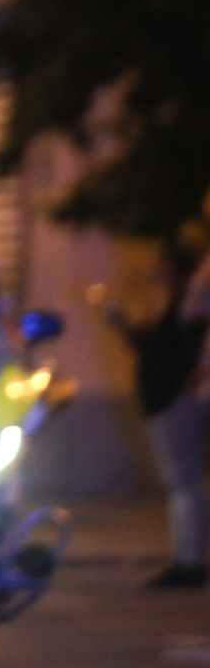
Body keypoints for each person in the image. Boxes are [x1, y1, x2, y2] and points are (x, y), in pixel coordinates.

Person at [108, 239, 210, 589]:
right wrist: (122, 324)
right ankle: (187, 558)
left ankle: (191, 562)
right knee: (180, 482)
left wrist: (190, 372)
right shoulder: (173, 303)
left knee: (185, 482)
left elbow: (186, 347)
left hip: (174, 398)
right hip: (163, 398)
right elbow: (151, 347)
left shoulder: (189, 302)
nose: (156, 269)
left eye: (162, 263)